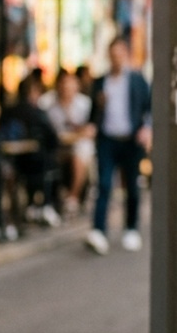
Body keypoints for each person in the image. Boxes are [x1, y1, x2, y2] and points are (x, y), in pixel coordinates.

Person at [86, 39, 151, 255]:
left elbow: (149, 107)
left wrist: (146, 128)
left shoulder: (136, 79)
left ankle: (131, 228)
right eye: (112, 54)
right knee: (104, 184)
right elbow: (93, 112)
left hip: (130, 140)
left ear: (125, 55)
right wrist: (94, 121)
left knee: (131, 185)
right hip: (107, 139)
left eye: (120, 53)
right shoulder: (100, 81)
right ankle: (98, 230)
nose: (116, 58)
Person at [0, 74, 62, 226]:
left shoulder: (8, 111)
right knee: (53, 166)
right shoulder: (38, 113)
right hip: (35, 163)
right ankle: (44, 205)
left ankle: (33, 206)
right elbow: (53, 138)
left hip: (14, 162)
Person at [46, 69, 95, 216]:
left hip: (80, 145)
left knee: (79, 153)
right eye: (64, 85)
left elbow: (90, 129)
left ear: (77, 86)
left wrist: (79, 133)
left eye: (70, 85)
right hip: (58, 146)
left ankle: (73, 197)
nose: (66, 89)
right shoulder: (50, 105)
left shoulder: (85, 104)